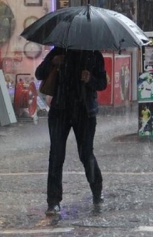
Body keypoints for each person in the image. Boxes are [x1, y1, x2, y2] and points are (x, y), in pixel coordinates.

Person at [35, 47, 107, 216]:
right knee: (56, 155)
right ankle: (53, 201)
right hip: (60, 110)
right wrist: (53, 62)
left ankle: (97, 191)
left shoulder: (94, 54)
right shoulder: (59, 51)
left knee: (86, 154)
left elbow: (102, 83)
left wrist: (90, 79)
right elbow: (40, 73)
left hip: (85, 112)